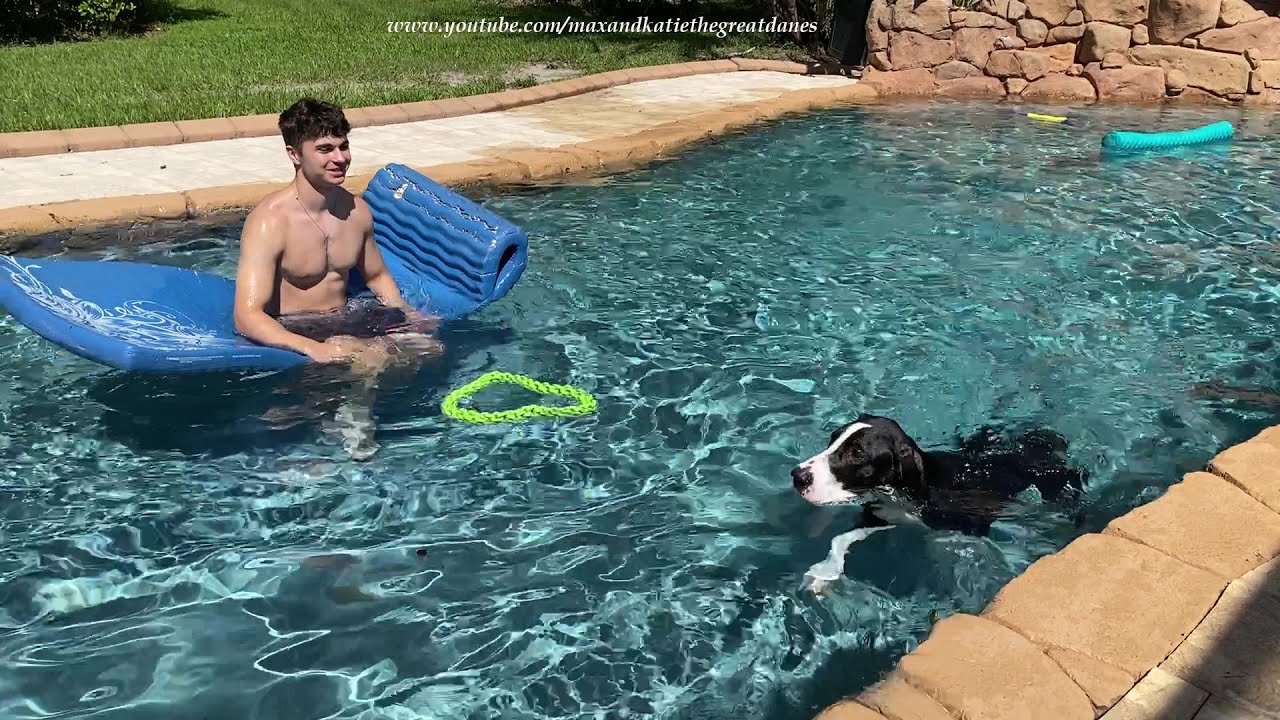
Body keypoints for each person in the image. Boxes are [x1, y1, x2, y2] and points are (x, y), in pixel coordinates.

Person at [233, 97, 441, 372]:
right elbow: (246, 315)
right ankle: (352, 412)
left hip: (347, 320)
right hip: (296, 327)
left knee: (432, 349)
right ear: (294, 154)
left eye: (343, 146)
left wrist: (406, 313)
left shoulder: (356, 211)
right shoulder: (269, 222)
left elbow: (377, 276)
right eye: (325, 149)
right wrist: (313, 348)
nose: (340, 158)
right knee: (369, 359)